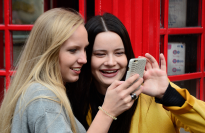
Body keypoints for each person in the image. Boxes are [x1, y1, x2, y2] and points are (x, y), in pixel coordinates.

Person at [0, 8, 144, 133]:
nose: (84, 59)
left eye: (85, 49)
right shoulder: (44, 100)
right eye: (73, 50)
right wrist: (107, 112)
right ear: (49, 52)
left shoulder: (44, 93)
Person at [67, 13, 205, 133]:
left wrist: (168, 93)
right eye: (100, 54)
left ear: (128, 56)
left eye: (119, 53)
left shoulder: (156, 95)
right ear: (86, 57)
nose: (111, 62)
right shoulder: (75, 101)